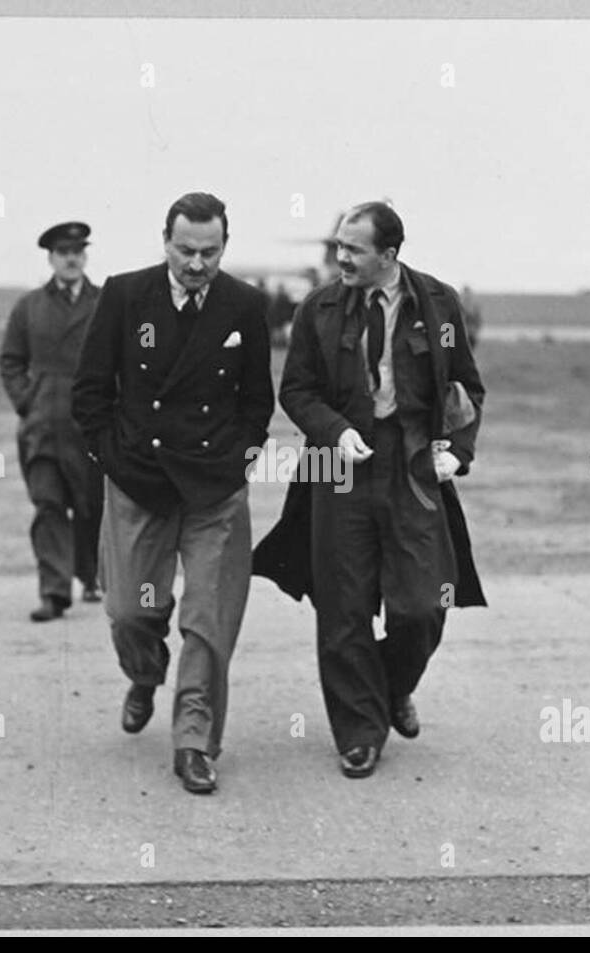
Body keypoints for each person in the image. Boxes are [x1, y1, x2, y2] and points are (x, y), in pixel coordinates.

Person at [253, 202, 485, 779]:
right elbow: (297, 390)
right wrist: (336, 431)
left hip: (411, 471)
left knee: (425, 606)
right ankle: (358, 733)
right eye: (338, 247)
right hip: (339, 472)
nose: (340, 258)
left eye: (353, 250)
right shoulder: (318, 309)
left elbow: (465, 388)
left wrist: (456, 451)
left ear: (389, 254)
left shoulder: (439, 306)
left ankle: (387, 686)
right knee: (342, 608)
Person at [72, 192, 274, 795]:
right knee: (131, 610)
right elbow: (89, 393)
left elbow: (257, 402)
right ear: (165, 241)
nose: (196, 264)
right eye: (185, 250)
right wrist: (113, 457)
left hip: (215, 489)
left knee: (209, 620)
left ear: (224, 248)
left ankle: (193, 741)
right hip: (140, 480)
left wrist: (239, 461)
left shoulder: (244, 304)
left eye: (209, 253)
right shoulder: (125, 294)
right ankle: (144, 672)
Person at [0, 221, 104, 621]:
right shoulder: (29, 306)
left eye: (78, 251)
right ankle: (54, 592)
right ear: (51, 258)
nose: (72, 258)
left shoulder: (104, 303)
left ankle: (91, 575)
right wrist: (27, 400)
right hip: (42, 427)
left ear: (85, 256)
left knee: (91, 506)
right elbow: (10, 360)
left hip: (89, 428)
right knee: (48, 505)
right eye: (64, 252)